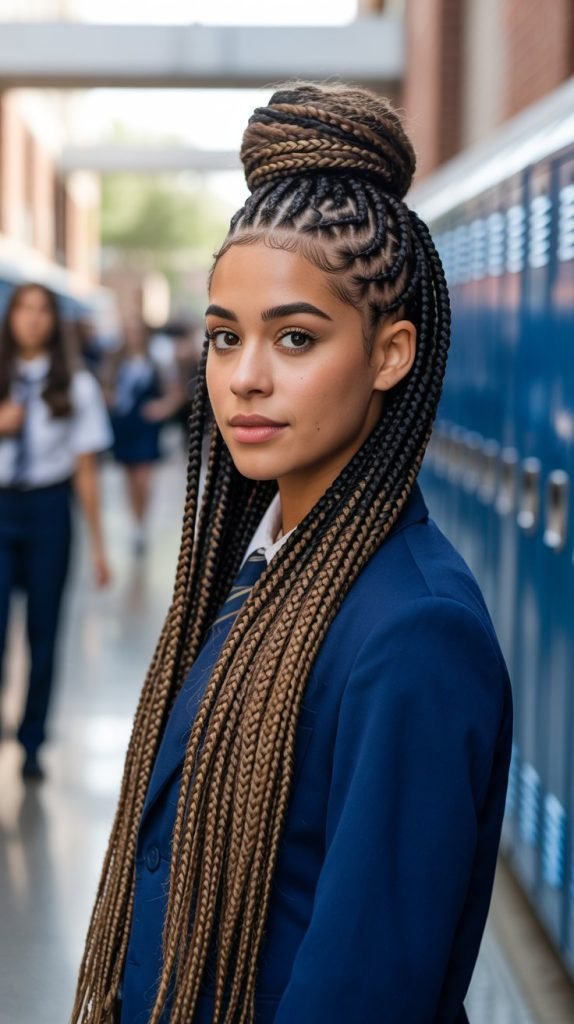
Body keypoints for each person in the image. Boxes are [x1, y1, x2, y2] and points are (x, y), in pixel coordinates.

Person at [72, 84, 512, 1024]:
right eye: (225, 338)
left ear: (391, 353)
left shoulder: (414, 633)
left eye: (295, 338)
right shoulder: (254, 572)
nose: (245, 379)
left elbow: (366, 991)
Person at [0, 282, 112, 780]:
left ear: (53, 321)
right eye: (24, 309)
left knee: (44, 634)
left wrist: (100, 546)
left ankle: (32, 743)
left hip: (49, 510)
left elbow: (85, 468)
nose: (32, 319)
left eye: (43, 310)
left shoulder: (77, 385)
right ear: (10, 318)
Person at [106, 319, 182, 554]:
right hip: (125, 426)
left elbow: (175, 392)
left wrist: (162, 408)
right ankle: (135, 521)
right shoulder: (116, 362)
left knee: (143, 478)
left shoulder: (156, 363)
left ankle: (142, 523)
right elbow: (105, 388)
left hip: (146, 428)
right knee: (129, 478)